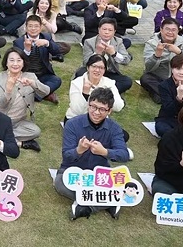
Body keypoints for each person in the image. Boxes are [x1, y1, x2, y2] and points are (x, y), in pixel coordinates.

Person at [54, 88, 130, 220]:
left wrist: (105, 152)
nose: (96, 112)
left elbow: (124, 155)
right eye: (93, 107)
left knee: (127, 187)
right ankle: (108, 202)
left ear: (109, 111)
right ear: (88, 105)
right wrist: (79, 150)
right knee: (59, 183)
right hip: (73, 171)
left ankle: (86, 207)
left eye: (102, 109)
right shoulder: (72, 124)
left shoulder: (115, 128)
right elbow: (66, 155)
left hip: (99, 174)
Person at [0, 48, 50, 152]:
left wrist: (32, 83)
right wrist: (8, 90)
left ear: (23, 63)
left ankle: (0, 138)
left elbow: (45, 92)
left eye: (19, 60)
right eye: (12, 60)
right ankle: (20, 143)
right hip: (1, 120)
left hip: (19, 121)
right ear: (6, 63)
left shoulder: (30, 76)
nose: (15, 64)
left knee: (35, 131)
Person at [141, 18, 183, 104]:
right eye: (167, 29)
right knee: (145, 79)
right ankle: (175, 94)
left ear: (178, 31)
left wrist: (179, 52)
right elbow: (149, 68)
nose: (170, 32)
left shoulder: (182, 41)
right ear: (161, 30)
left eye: (174, 30)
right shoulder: (151, 43)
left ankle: (162, 96)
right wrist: (157, 55)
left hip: (177, 78)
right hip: (158, 78)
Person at [13, 15, 62, 103]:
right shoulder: (18, 42)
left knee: (57, 80)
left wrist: (47, 43)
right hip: (26, 75)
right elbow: (16, 63)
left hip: (43, 74)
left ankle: (35, 95)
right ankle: (45, 94)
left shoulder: (46, 37)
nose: (33, 29)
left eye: (36, 26)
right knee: (19, 84)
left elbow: (57, 52)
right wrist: (27, 50)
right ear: (26, 28)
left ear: (40, 28)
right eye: (30, 26)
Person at [77, 18, 133, 94]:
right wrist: (97, 53)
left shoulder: (118, 41)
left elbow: (126, 60)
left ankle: (101, 93)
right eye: (104, 29)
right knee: (80, 73)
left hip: (110, 72)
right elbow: (86, 62)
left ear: (114, 32)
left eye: (110, 30)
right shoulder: (89, 42)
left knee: (127, 81)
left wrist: (114, 53)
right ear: (99, 30)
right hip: (94, 71)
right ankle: (105, 92)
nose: (107, 32)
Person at [65, 54, 125, 119]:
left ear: (105, 70)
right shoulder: (77, 83)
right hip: (76, 119)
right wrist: (85, 94)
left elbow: (118, 107)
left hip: (99, 119)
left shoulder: (109, 83)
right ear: (88, 68)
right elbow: (77, 111)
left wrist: (107, 96)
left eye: (101, 68)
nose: (97, 70)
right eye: (94, 66)